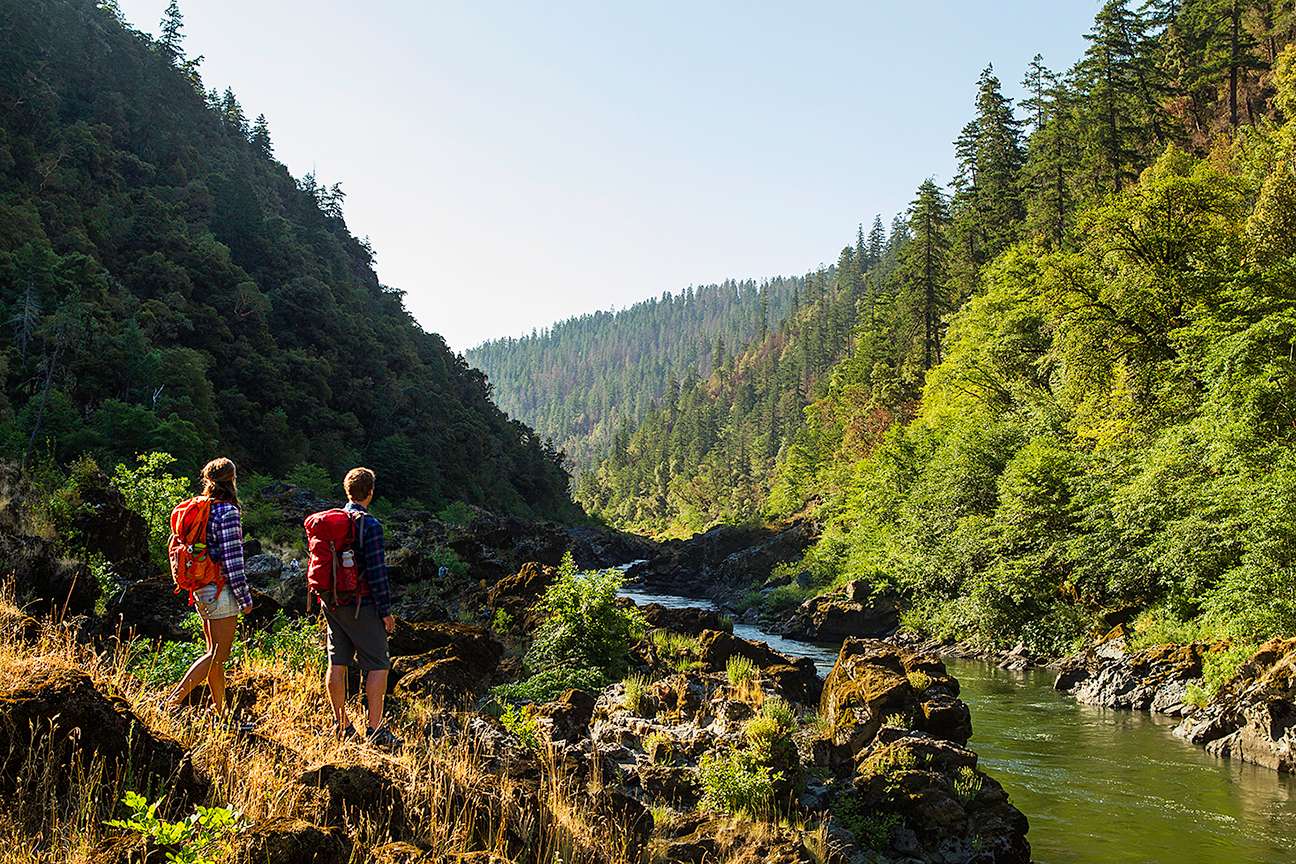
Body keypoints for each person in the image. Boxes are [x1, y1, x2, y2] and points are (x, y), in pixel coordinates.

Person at [167, 457, 253, 713]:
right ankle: (172, 700)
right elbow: (233, 560)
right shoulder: (228, 512)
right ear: (232, 480)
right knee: (218, 655)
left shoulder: (202, 508)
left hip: (201, 587)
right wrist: (245, 598)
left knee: (214, 654)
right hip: (220, 590)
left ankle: (221, 711)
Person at [322, 466, 400, 749]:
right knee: (378, 664)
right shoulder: (370, 525)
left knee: (337, 661)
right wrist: (385, 612)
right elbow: (378, 573)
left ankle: (341, 723)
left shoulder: (334, 520)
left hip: (332, 602)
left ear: (347, 491)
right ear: (370, 492)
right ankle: (376, 728)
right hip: (361, 604)